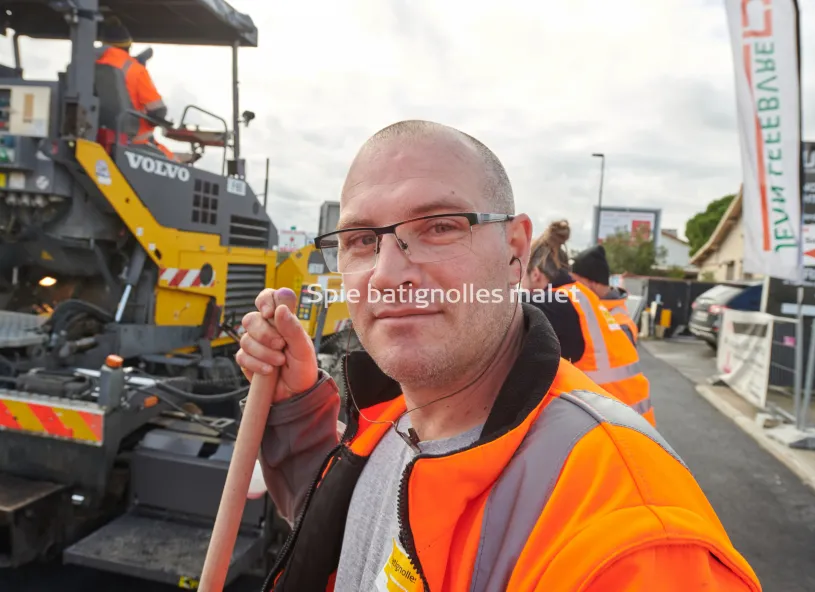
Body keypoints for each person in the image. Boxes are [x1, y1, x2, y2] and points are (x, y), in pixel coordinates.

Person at [235, 120, 761, 592]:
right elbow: (353, 539)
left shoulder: (631, 538)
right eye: (359, 239)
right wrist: (298, 407)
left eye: (440, 227)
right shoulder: (395, 418)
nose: (387, 274)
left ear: (515, 249)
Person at [523, 241, 656, 426]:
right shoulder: (593, 306)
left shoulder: (580, 306)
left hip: (620, 431)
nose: (575, 285)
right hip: (631, 426)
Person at [95, 16, 178, 161]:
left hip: (95, 136)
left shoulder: (87, 65)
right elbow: (158, 111)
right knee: (177, 166)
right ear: (128, 46)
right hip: (134, 142)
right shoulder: (136, 70)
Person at [569, 244, 639, 346]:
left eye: (577, 283)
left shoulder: (620, 326)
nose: (572, 289)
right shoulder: (590, 309)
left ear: (593, 283)